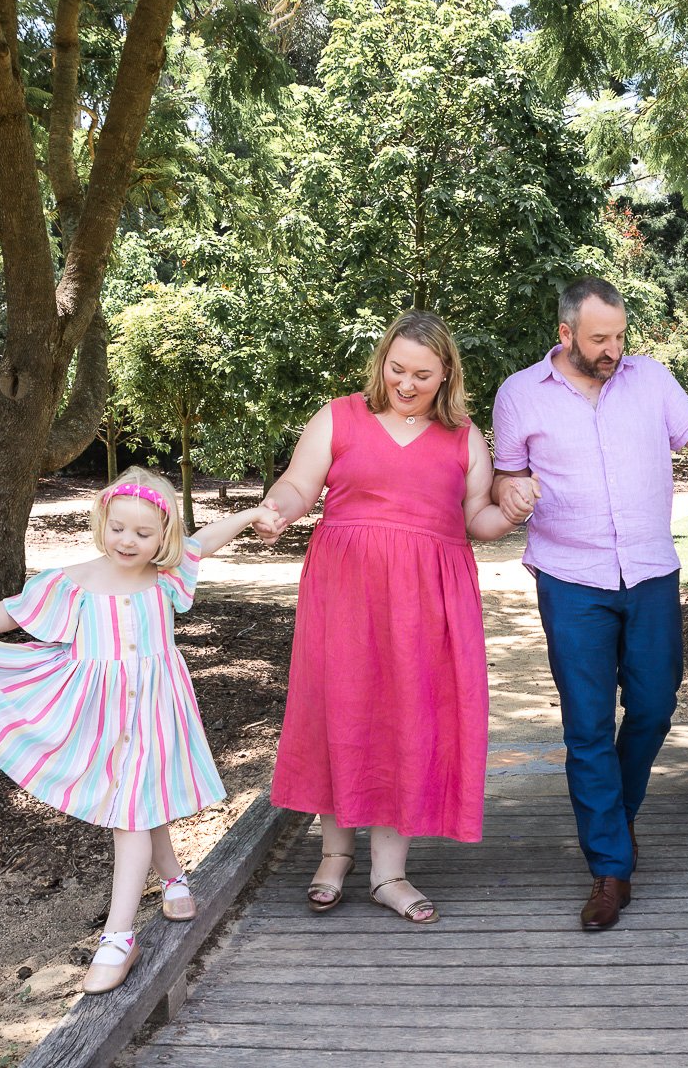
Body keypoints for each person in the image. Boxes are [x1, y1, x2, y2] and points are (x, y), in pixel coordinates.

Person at [491, 276, 688, 931]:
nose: (613, 349)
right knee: (586, 726)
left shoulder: (651, 380)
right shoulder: (519, 395)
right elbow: (506, 475)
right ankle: (610, 869)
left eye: (619, 335)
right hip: (569, 578)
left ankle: (614, 813)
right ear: (565, 335)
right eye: (598, 339)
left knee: (653, 705)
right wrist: (510, 493)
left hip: (648, 574)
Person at [0, 466, 276, 993]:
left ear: (163, 536)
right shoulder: (76, 581)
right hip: (102, 712)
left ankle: (129, 925)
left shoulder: (167, 576)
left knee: (136, 804)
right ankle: (147, 907)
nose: (128, 541)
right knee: (133, 807)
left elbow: (207, 540)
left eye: (143, 532)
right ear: (102, 522)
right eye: (118, 528)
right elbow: (18, 610)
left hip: (157, 708)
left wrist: (250, 514)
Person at [255, 310, 523, 924]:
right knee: (342, 708)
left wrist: (510, 509)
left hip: (429, 599)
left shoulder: (464, 437)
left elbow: (476, 519)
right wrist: (279, 509)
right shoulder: (339, 416)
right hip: (344, 591)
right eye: (397, 369)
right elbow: (299, 486)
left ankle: (389, 873)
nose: (406, 383)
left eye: (422, 375)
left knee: (410, 717)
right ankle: (333, 856)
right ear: (382, 364)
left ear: (446, 375)